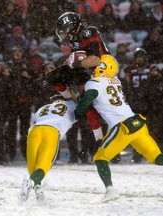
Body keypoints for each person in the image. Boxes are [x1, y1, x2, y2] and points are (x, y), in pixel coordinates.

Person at [74, 54, 163, 202]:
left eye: (95, 66)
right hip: (138, 123)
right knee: (158, 157)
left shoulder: (93, 83)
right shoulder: (116, 81)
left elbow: (84, 104)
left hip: (123, 126)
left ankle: (110, 191)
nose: (92, 68)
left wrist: (78, 108)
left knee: (100, 158)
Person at [47, 11, 109, 152]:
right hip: (86, 71)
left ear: (72, 26)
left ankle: (100, 140)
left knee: (87, 105)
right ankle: (69, 99)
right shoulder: (77, 38)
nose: (63, 35)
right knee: (53, 77)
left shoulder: (88, 32)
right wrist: (71, 63)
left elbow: (95, 59)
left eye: (64, 31)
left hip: (101, 73)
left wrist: (73, 64)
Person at [19, 95, 77, 202]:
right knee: (43, 166)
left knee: (33, 166)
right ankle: (30, 183)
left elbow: (35, 120)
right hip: (51, 131)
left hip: (34, 132)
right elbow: (81, 111)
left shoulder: (43, 107)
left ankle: (37, 188)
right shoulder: (71, 105)